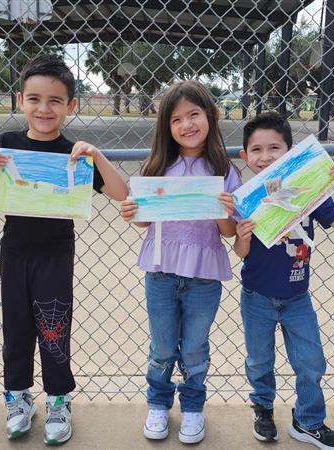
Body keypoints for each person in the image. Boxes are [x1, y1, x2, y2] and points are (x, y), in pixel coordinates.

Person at [0, 54, 128, 445]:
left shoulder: (74, 152)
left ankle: (59, 398)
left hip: (55, 253)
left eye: (55, 101)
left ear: (70, 106)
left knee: (53, 326)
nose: (44, 109)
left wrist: (96, 155)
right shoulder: (8, 144)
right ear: (20, 100)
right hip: (14, 251)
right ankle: (17, 396)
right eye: (34, 99)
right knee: (16, 326)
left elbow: (120, 193)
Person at [120, 80, 241, 444]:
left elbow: (229, 232)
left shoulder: (223, 169)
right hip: (161, 270)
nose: (187, 125)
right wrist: (132, 209)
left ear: (210, 116)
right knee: (161, 346)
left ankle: (192, 408)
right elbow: (144, 218)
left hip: (204, 274)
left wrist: (223, 210)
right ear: (166, 127)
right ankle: (158, 404)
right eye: (176, 119)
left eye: (194, 115)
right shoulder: (158, 164)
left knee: (194, 348)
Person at [234, 112, 334, 450]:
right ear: (245, 156)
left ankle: (308, 421)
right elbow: (241, 253)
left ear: (290, 152)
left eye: (275, 148)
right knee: (259, 359)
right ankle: (263, 409)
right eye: (256, 149)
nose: (265, 156)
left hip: (298, 297)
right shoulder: (248, 197)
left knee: (311, 360)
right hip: (257, 296)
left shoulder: (307, 190)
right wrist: (242, 235)